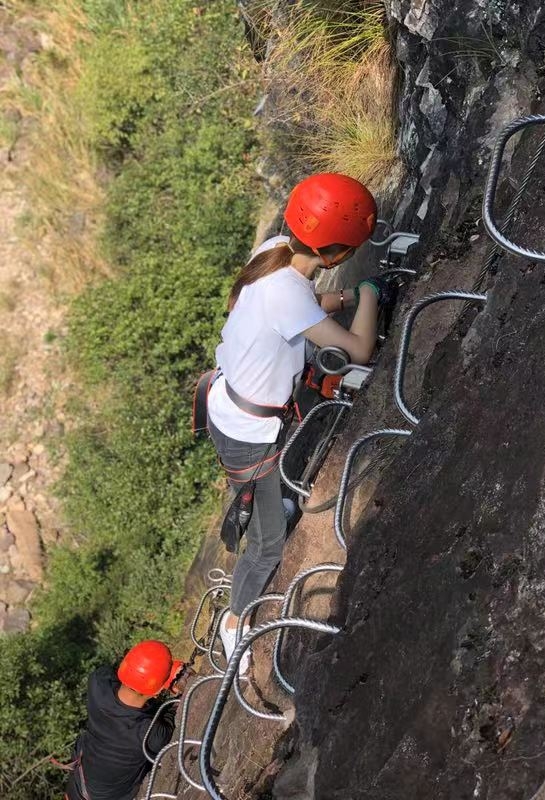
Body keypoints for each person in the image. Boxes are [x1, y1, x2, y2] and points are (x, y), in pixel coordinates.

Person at [206, 172, 395, 673]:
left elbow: (298, 311)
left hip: (231, 407)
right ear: (334, 254)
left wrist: (344, 301)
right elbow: (358, 349)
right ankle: (234, 622)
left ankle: (260, 502)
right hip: (252, 432)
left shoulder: (273, 250)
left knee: (266, 498)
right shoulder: (289, 290)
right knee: (269, 544)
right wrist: (370, 294)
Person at [65, 640, 191, 800]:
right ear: (159, 690)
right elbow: (172, 711)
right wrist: (180, 690)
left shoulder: (98, 682)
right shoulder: (150, 733)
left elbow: (123, 672)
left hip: (77, 786)